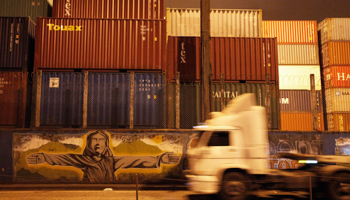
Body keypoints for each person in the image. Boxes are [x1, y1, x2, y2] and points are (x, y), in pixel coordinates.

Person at [27, 130, 180, 183]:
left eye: (101, 140)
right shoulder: (84, 160)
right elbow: (65, 158)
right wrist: (45, 157)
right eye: (94, 140)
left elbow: (134, 160)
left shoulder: (111, 161)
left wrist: (159, 159)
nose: (98, 143)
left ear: (106, 145)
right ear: (88, 144)